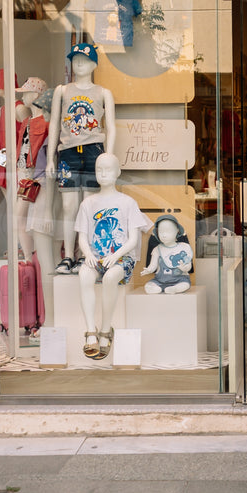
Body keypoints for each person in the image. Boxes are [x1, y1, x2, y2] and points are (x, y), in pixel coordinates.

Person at [45, 42, 116, 274]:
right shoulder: (62, 91)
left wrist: (108, 157)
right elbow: (54, 124)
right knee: (69, 207)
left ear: (94, 64)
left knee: (90, 206)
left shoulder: (103, 93)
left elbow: (111, 127)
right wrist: (50, 158)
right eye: (75, 60)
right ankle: (68, 256)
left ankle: (87, 255)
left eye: (84, 60)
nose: (79, 64)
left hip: (94, 151)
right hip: (68, 151)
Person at [74, 152, 151, 359]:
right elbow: (82, 237)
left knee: (110, 278)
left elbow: (133, 240)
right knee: (84, 275)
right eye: (99, 169)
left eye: (108, 169)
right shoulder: (87, 203)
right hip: (96, 257)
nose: (103, 173)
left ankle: (106, 329)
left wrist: (116, 255)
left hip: (122, 258)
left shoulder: (128, 202)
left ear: (118, 172)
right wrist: (88, 253)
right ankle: (90, 330)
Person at [140, 214, 193, 294]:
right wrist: (149, 270)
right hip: (160, 280)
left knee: (185, 284)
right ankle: (156, 288)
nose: (164, 235)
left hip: (180, 280)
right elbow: (153, 265)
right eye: (161, 232)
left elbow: (188, 265)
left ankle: (175, 289)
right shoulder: (157, 249)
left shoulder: (184, 247)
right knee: (149, 285)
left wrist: (185, 268)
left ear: (177, 231)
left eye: (168, 231)